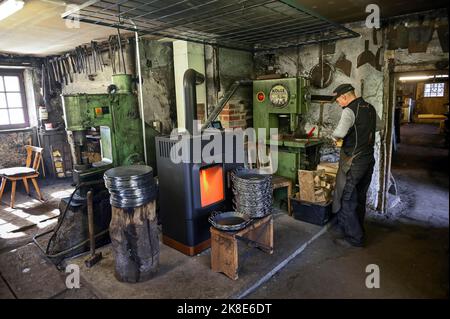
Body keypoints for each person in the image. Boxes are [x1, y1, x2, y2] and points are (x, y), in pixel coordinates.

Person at [330, 84, 383, 247]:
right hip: (368, 159)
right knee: (359, 197)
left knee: (347, 199)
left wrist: (336, 138)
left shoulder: (349, 110)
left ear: (345, 96)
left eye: (338, 100)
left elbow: (338, 134)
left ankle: (354, 238)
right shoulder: (370, 108)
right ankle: (357, 228)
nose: (339, 103)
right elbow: (380, 127)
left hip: (354, 162)